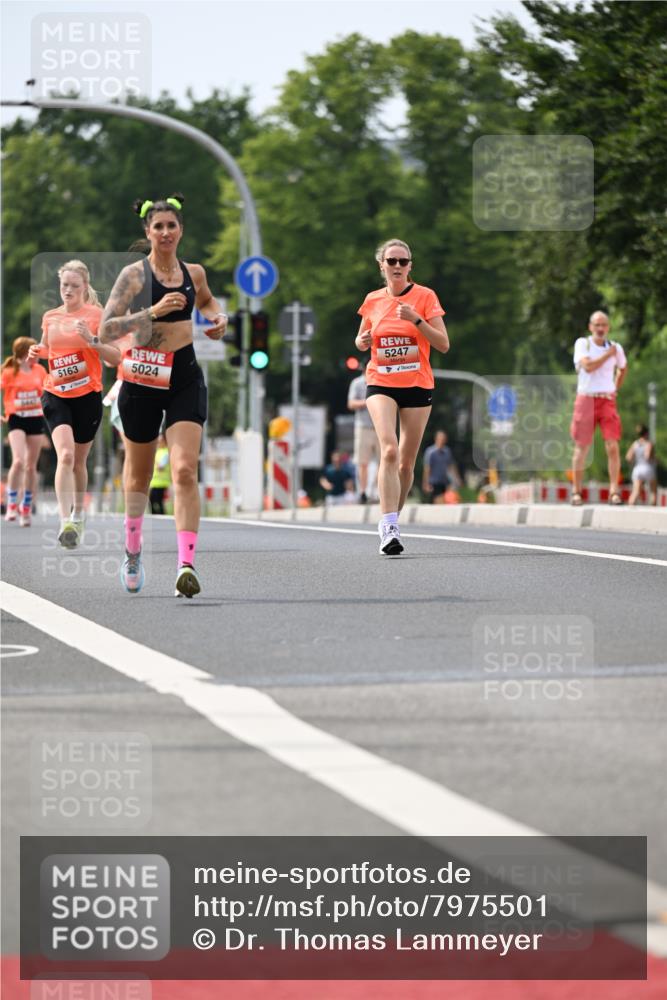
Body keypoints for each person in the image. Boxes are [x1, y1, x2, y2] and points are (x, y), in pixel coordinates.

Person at [100, 193, 227, 598]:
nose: (166, 232)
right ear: (148, 232)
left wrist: (217, 320)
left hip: (184, 377)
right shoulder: (133, 277)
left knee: (185, 469)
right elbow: (106, 329)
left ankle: (185, 564)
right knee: (137, 476)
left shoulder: (195, 273)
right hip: (141, 380)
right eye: (159, 226)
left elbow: (206, 302)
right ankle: (133, 550)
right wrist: (152, 312)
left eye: (172, 225)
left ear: (181, 230)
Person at [355, 239, 449, 553]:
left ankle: (394, 519)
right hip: (380, 381)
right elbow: (361, 339)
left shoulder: (425, 297)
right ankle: (388, 528)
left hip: (417, 384)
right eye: (391, 261)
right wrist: (363, 340)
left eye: (403, 261)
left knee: (406, 465)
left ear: (410, 265)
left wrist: (417, 321)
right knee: (389, 450)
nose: (397, 266)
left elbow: (443, 344)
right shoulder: (372, 300)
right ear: (381, 264)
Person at [29, 260, 121, 547]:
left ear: (84, 287)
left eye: (74, 286)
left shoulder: (96, 315)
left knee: (79, 461)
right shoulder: (50, 316)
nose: (67, 290)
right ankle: (64, 521)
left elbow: (114, 357)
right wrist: (37, 351)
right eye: (63, 285)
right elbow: (48, 348)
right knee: (65, 456)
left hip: (87, 396)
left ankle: (79, 514)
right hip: (55, 393)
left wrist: (91, 339)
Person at [570, 311, 627, 506]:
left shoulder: (615, 348)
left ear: (608, 327)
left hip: (607, 399)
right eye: (597, 325)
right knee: (582, 447)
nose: (600, 329)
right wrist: (606, 356)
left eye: (603, 325)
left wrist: (615, 387)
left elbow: (623, 367)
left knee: (612, 446)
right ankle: (576, 491)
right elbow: (588, 366)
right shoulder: (583, 344)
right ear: (590, 327)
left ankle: (614, 492)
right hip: (586, 399)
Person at [1, 337, 47, 526]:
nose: (38, 353)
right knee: (18, 461)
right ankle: (12, 504)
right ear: (24, 352)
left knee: (31, 466)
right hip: (16, 419)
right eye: (35, 350)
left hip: (36, 419)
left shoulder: (40, 370)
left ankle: (26, 508)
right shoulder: (10, 371)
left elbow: (48, 393)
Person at [347, 362, 379, 503]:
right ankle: (363, 491)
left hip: (379, 426)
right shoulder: (357, 383)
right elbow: (351, 403)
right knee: (362, 462)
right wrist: (368, 401)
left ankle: (376, 490)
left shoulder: (380, 380)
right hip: (363, 426)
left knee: (383, 461)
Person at [626, 424, 657, 506]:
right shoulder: (649, 443)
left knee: (635, 491)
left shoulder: (635, 444)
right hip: (647, 468)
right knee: (653, 491)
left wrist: (634, 461)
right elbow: (647, 456)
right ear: (646, 433)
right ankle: (653, 510)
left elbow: (628, 457)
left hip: (637, 468)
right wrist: (655, 459)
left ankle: (630, 506)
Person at [422, 429, 454, 502]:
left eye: (443, 439)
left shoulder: (447, 451)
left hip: (444, 481)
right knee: (438, 500)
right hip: (434, 482)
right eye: (440, 439)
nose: (442, 441)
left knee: (445, 501)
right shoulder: (430, 452)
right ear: (436, 439)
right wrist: (425, 483)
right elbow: (427, 468)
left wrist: (454, 480)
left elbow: (450, 466)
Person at [149, 433, 171, 515]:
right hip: (154, 482)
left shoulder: (166, 452)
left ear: (165, 441)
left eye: (160, 441)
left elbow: (160, 466)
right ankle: (154, 516)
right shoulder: (157, 452)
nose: (158, 443)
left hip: (162, 482)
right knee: (151, 500)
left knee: (158, 501)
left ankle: (162, 516)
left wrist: (154, 461)